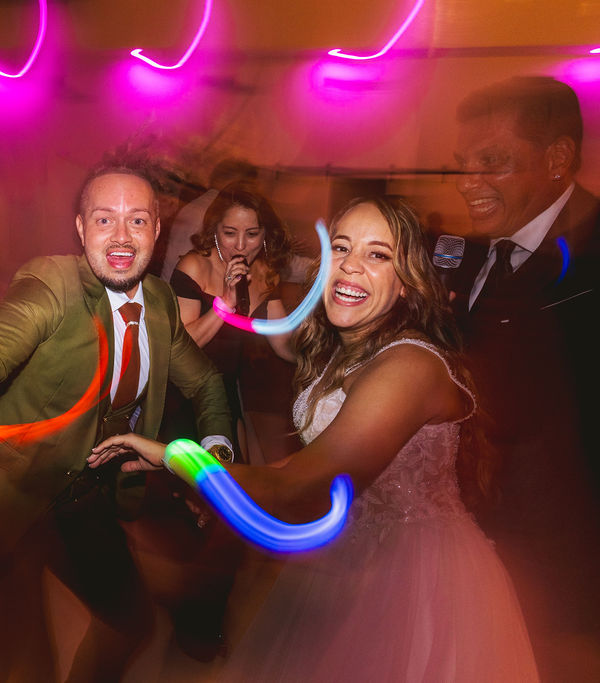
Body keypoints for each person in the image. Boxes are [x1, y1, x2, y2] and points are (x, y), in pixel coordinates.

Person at [90, 196, 539, 681]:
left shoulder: (408, 366)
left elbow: (302, 486)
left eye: (378, 254)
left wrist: (178, 456)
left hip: (417, 574)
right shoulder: (348, 352)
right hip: (353, 557)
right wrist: (219, 479)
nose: (349, 266)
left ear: (409, 282)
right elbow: (296, 467)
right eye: (341, 248)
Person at [0, 161, 234, 682]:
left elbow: (204, 383)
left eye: (137, 220)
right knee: (27, 666)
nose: (120, 236)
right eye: (103, 219)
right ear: (80, 228)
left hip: (85, 494)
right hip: (2, 496)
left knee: (130, 625)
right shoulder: (54, 283)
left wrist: (216, 457)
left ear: (157, 232)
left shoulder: (158, 302)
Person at [450, 75, 600, 680]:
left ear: (558, 159)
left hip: (561, 562)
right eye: (461, 164)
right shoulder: (471, 251)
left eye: (491, 162)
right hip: (469, 539)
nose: (466, 183)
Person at [169, 181, 294, 463]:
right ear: (214, 230)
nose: (240, 245)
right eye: (229, 233)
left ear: (265, 235)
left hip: (226, 395)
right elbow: (182, 350)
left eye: (252, 234)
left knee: (233, 483)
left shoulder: (264, 274)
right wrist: (224, 304)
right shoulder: (194, 266)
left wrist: (326, 343)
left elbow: (284, 343)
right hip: (183, 396)